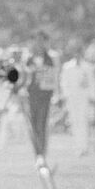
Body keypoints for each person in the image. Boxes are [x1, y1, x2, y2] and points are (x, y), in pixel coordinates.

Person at [25, 30, 60, 163]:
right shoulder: (28, 58)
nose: (38, 43)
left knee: (42, 124)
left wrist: (57, 94)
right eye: (36, 40)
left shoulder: (52, 58)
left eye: (41, 40)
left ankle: (42, 154)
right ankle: (38, 154)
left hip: (45, 96)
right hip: (31, 95)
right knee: (34, 126)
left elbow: (55, 77)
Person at [59, 42, 95, 157]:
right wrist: (65, 96)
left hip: (84, 98)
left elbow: (92, 83)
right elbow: (64, 82)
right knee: (74, 122)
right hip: (72, 98)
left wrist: (93, 97)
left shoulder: (87, 67)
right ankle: (77, 146)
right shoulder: (67, 67)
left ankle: (84, 147)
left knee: (83, 122)